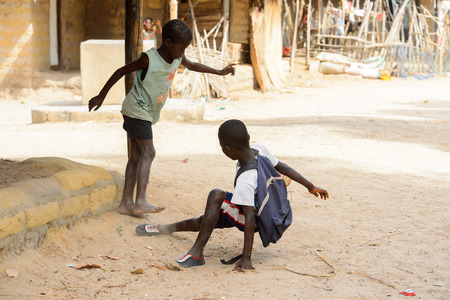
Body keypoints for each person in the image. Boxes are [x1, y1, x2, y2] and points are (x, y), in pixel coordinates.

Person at [88, 19, 236, 218]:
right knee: (149, 153)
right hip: (136, 110)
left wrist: (219, 72)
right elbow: (121, 71)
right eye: (181, 48)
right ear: (168, 42)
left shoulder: (177, 58)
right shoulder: (148, 59)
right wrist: (101, 96)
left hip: (145, 113)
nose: (183, 53)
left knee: (136, 157)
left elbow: (192, 65)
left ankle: (126, 203)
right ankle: (140, 200)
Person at [136, 119, 329, 270]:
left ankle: (196, 254)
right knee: (206, 221)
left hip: (255, 218)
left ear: (228, 149)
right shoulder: (260, 149)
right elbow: (282, 166)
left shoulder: (246, 178)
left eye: (221, 146)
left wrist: (246, 257)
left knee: (216, 196)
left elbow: (250, 218)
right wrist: (310, 186)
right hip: (264, 210)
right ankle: (165, 229)